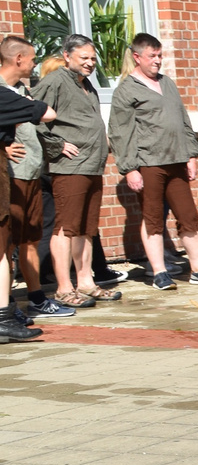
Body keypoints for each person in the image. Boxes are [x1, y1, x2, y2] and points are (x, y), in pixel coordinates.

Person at [110, 33, 198, 290]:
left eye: (160, 55)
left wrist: (191, 154)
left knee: (188, 216)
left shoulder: (167, 83)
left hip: (177, 161)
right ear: (137, 57)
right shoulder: (127, 89)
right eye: (152, 56)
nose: (158, 61)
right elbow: (120, 132)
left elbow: (183, 120)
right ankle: (159, 273)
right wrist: (130, 169)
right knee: (153, 218)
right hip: (149, 163)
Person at [35, 36, 115, 307]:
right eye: (84, 58)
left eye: (93, 58)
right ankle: (63, 288)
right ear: (67, 56)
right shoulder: (54, 81)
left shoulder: (88, 85)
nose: (90, 63)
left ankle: (86, 282)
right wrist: (57, 145)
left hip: (92, 166)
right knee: (65, 228)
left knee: (86, 228)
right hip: (69, 168)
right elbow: (32, 116)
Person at [1, 37, 64, 322]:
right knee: (7, 244)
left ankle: (37, 297)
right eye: (32, 58)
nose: (35, 63)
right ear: (18, 59)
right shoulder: (2, 92)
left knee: (29, 239)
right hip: (11, 178)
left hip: (31, 174)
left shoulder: (21, 90)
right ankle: (9, 304)